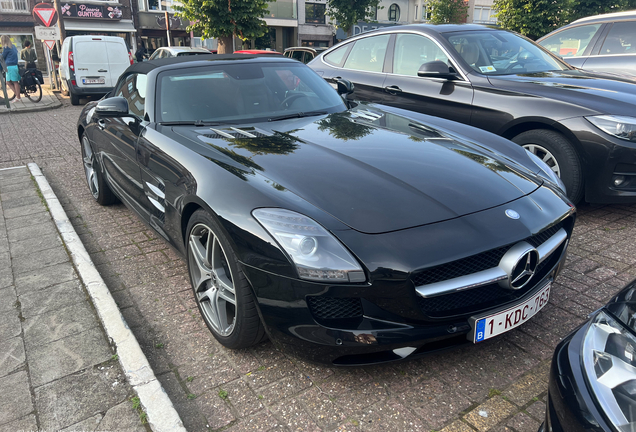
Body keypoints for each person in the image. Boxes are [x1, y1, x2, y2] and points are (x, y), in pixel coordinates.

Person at [1, 35, 21, 102]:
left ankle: (18, 97)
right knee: (11, 82)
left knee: (13, 82)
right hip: (15, 65)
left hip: (9, 66)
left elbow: (2, 56)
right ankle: (17, 96)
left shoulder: (6, 47)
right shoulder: (13, 46)